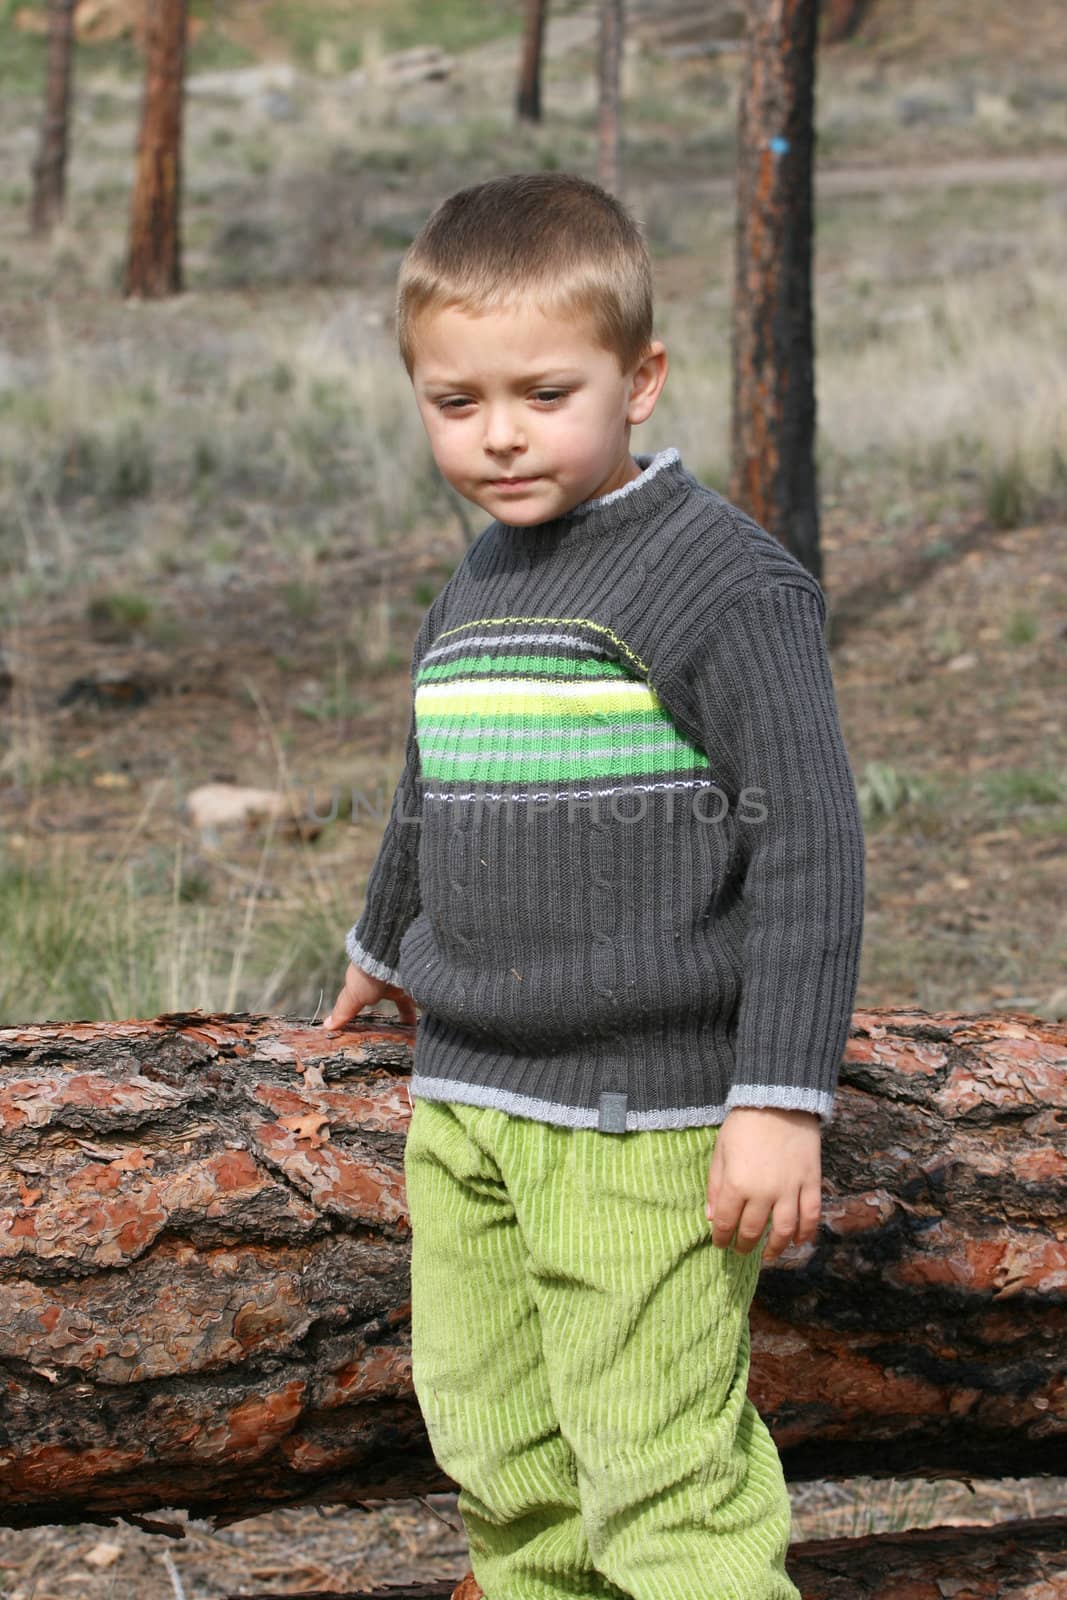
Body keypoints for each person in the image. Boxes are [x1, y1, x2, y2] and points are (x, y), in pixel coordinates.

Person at [323, 171, 866, 1600]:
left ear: (641, 379)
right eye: (456, 402)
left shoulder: (721, 581)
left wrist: (779, 1099)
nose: (500, 434)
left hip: (647, 1120)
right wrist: (382, 942)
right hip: (469, 1104)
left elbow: (812, 843)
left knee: (660, 1477)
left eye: (545, 392)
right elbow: (433, 780)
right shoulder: (482, 580)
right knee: (505, 1458)